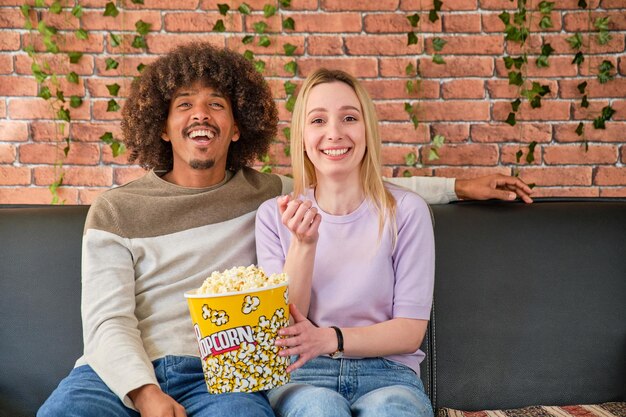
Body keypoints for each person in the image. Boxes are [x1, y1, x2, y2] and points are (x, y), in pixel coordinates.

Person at [38, 42, 531, 417]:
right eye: (184, 105)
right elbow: (106, 324)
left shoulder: (267, 194)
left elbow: (351, 176)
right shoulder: (115, 209)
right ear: (161, 126)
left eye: (217, 105)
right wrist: (145, 393)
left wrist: (458, 185)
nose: (200, 116)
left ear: (237, 127)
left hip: (219, 377)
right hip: (114, 374)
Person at [254, 69, 436, 417]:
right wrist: (303, 245)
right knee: (320, 408)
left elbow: (410, 331)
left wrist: (331, 338)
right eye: (318, 120)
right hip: (304, 374)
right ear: (303, 137)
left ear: (367, 130)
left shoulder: (407, 212)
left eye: (349, 118)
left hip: (389, 375)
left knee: (391, 410)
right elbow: (286, 326)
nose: (334, 133)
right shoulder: (273, 216)